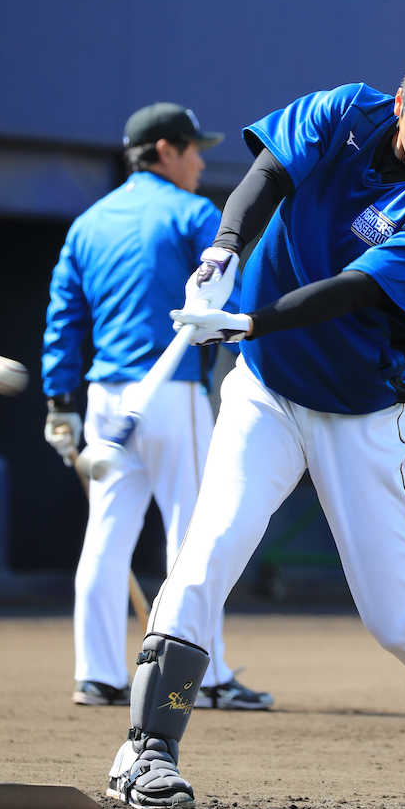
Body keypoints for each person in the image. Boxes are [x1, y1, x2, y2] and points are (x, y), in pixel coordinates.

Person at [106, 46, 405, 809]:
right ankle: (147, 751)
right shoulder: (342, 111)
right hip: (264, 390)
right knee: (206, 552)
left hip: (360, 410)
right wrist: (224, 250)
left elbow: (355, 291)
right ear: (399, 102)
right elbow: (267, 177)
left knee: (396, 618)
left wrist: (248, 319)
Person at [41, 102, 273, 712]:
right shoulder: (196, 213)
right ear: (165, 150)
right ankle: (211, 676)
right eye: (193, 147)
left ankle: (96, 675)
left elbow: (64, 316)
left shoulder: (89, 222)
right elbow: (231, 300)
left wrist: (58, 400)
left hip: (106, 400)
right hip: (171, 396)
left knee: (107, 536)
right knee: (193, 538)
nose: (200, 159)